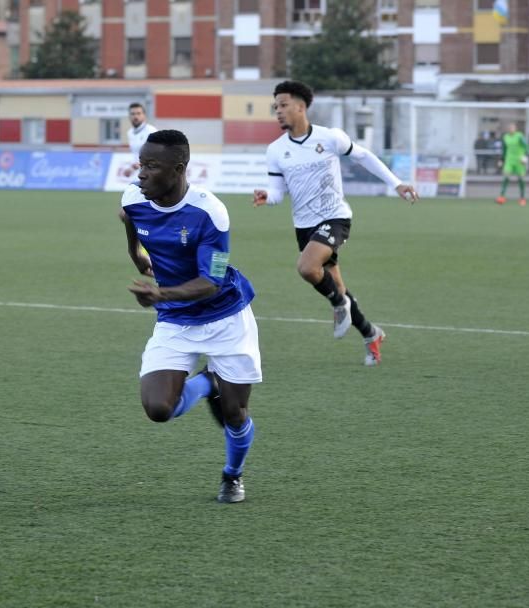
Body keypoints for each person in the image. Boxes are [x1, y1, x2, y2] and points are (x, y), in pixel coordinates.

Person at [121, 129, 261, 503]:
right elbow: (128, 217)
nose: (141, 174)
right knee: (157, 409)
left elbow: (212, 282)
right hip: (175, 320)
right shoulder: (135, 197)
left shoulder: (209, 212)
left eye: (152, 166)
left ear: (178, 169)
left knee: (234, 414)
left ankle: (232, 475)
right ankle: (207, 384)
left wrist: (160, 293)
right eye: (140, 164)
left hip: (225, 317)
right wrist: (136, 252)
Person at [252, 80, 418, 367]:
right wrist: (268, 196)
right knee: (336, 284)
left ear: (301, 107)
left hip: (335, 218)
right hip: (304, 227)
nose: (277, 111)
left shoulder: (330, 137)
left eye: (283, 105)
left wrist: (396, 184)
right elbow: (278, 192)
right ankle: (371, 333)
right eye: (275, 107)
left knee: (307, 268)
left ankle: (338, 304)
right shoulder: (276, 151)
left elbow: (364, 157)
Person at [496, 122, 529, 206]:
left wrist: (525, 157)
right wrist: (501, 160)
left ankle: (522, 198)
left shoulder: (519, 136)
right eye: (509, 128)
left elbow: (527, 147)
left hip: (519, 160)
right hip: (509, 160)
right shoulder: (506, 137)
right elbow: (504, 150)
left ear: (515, 128)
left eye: (512, 127)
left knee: (520, 178)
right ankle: (502, 197)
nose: (511, 129)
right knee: (506, 175)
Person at [127, 102, 158, 168]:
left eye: (138, 113)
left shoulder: (151, 131)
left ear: (144, 115)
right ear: (129, 116)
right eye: (133, 114)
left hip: (150, 171)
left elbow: (157, 154)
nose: (135, 116)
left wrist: (143, 163)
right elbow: (135, 154)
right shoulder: (130, 132)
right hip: (137, 173)